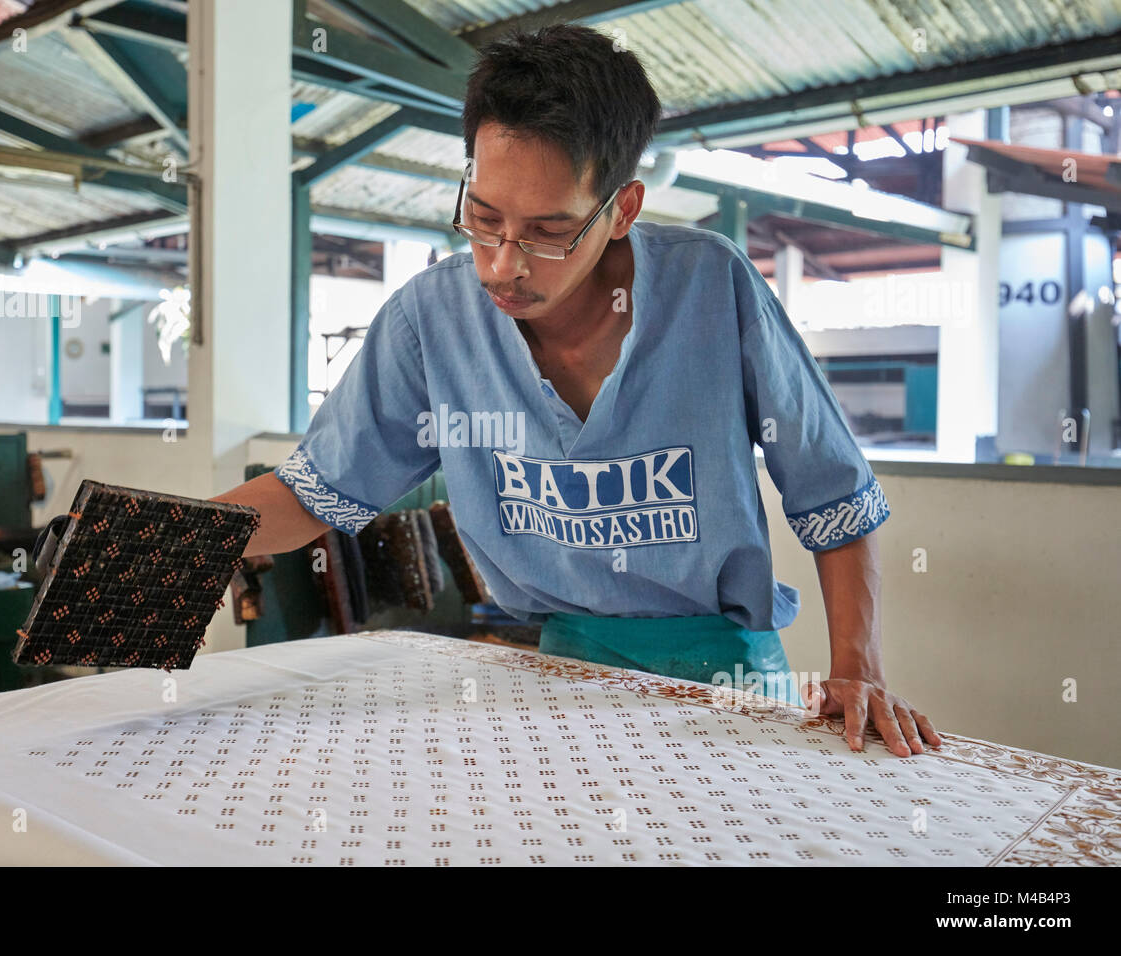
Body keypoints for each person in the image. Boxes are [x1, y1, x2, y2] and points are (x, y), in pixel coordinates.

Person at [215, 24, 940, 757]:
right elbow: (314, 494)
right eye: (483, 218)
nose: (502, 266)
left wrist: (860, 668)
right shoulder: (431, 320)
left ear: (622, 209)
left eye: (547, 231)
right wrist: (157, 535)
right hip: (553, 670)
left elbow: (833, 494)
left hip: (725, 676)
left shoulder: (711, 289)